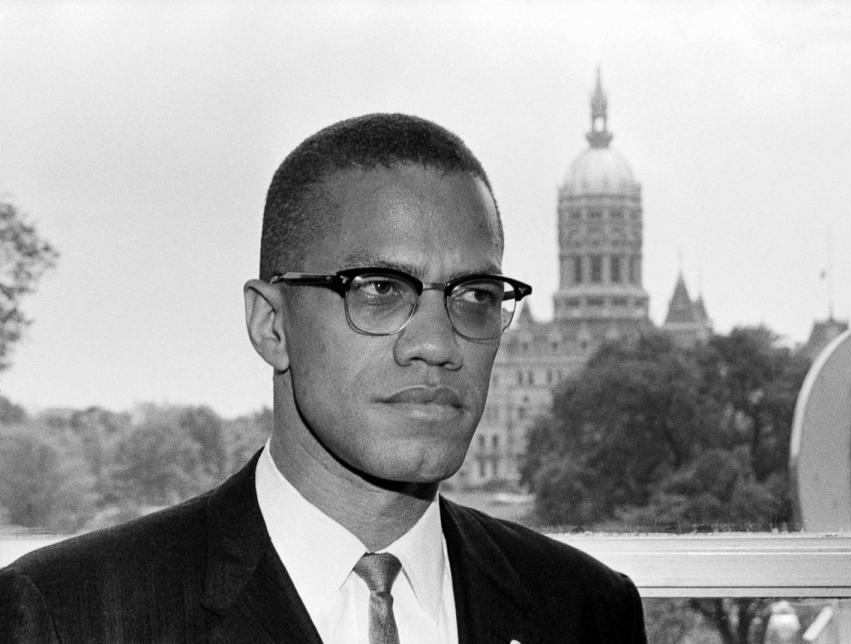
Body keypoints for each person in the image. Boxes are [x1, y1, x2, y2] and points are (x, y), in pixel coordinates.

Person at [0, 114, 647, 643]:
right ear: (270, 325)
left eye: (475, 295)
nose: (436, 343)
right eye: (378, 289)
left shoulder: (587, 612)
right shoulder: (71, 616)